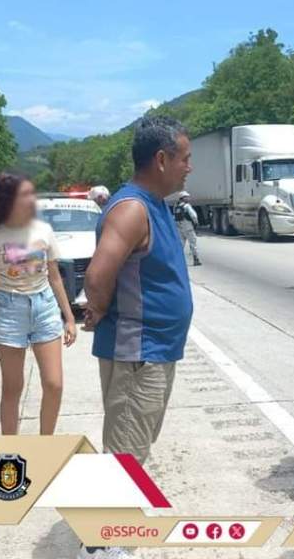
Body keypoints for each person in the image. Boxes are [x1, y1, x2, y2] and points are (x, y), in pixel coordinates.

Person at [80, 116, 193, 559]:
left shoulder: (156, 203)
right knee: (125, 450)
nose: (189, 167)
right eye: (185, 158)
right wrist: (102, 306)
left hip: (154, 350)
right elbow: (97, 274)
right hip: (137, 353)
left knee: (134, 445)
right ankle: (101, 545)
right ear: (161, 159)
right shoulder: (132, 208)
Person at [0, 172, 77, 435]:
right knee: (12, 388)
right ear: (9, 200)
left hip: (45, 306)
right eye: (26, 194)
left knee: (54, 384)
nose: (32, 199)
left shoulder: (44, 230)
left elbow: (55, 277)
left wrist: (69, 317)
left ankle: (45, 444)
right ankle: (11, 449)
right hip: (9, 310)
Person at [173, 191, 201, 266]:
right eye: (187, 197)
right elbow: (193, 216)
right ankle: (196, 259)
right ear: (183, 198)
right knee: (193, 244)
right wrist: (196, 223)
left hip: (180, 228)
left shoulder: (176, 206)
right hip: (188, 228)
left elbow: (174, 217)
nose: (188, 198)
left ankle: (178, 261)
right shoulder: (187, 206)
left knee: (181, 245)